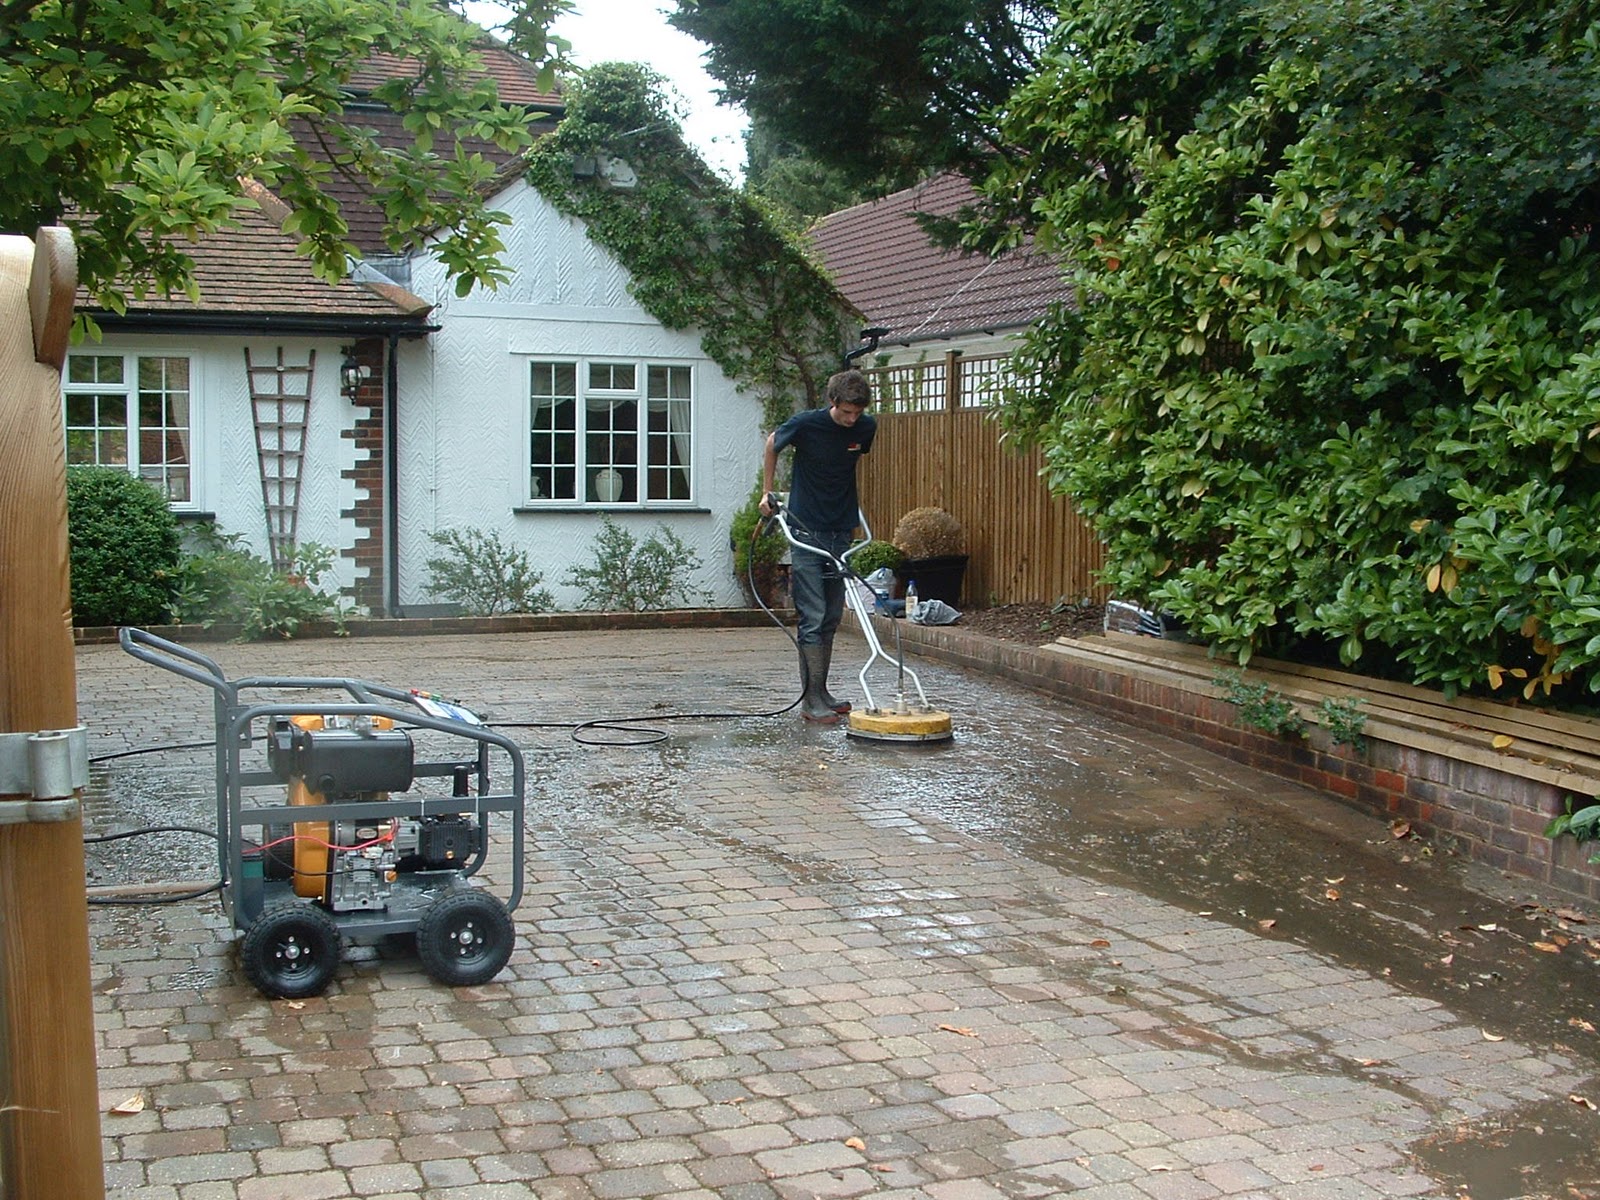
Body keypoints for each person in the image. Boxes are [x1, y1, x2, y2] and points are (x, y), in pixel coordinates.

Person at [760, 369, 876, 724]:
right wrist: (768, 492)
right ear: (832, 402)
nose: (851, 419)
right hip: (806, 530)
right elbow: (771, 443)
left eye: (856, 413)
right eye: (845, 412)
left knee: (831, 616)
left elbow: (845, 465)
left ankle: (822, 691)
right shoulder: (807, 424)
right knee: (812, 616)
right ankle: (810, 701)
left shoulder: (865, 429)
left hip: (841, 530)